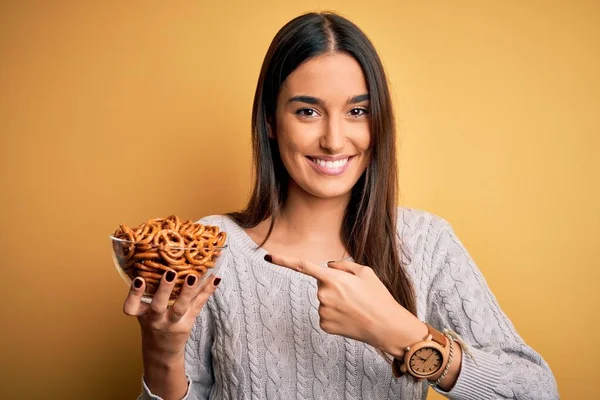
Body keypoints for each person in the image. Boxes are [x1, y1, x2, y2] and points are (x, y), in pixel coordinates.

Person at [123, 11, 559, 400]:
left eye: (357, 111)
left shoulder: (426, 244)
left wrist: (404, 334)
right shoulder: (213, 247)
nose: (334, 139)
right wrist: (161, 355)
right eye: (308, 112)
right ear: (271, 123)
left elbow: (537, 392)